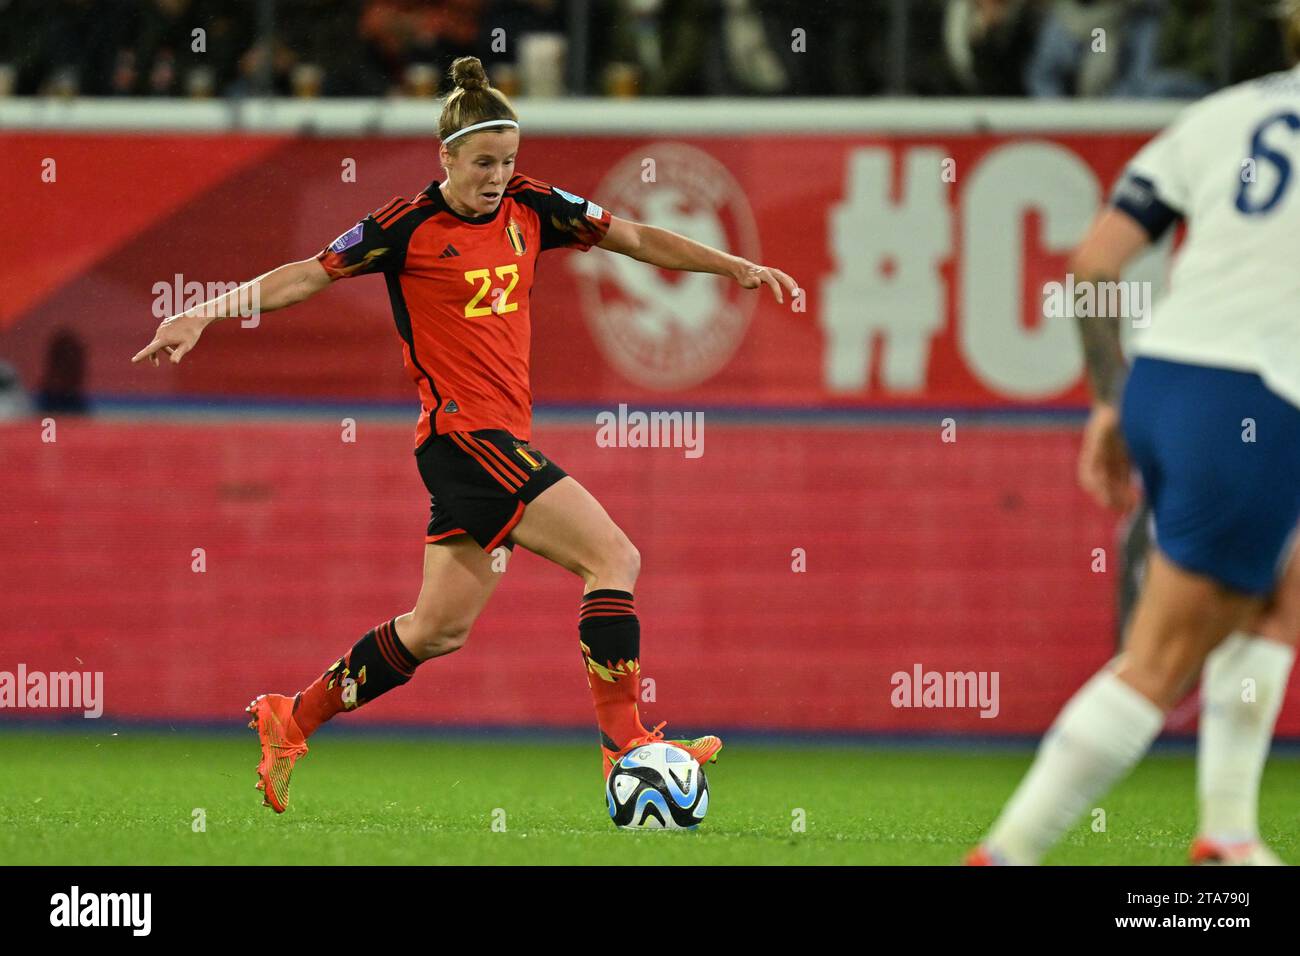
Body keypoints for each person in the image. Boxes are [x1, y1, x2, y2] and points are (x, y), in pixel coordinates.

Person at [132, 55, 799, 814]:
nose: (496, 175)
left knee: (436, 629)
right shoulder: (403, 226)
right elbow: (306, 275)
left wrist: (734, 265)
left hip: (489, 444)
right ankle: (626, 744)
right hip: (463, 440)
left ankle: (294, 716)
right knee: (613, 555)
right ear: (445, 157)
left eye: (507, 161)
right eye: (483, 162)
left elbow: (637, 239)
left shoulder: (533, 207)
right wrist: (201, 313)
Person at [969, 4, 1300, 864]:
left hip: (1171, 380)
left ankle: (1227, 833)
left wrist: (1112, 400)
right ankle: (1005, 853)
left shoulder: (1221, 114)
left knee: (1277, 603)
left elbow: (1094, 263)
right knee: (1163, 657)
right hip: (1253, 397)